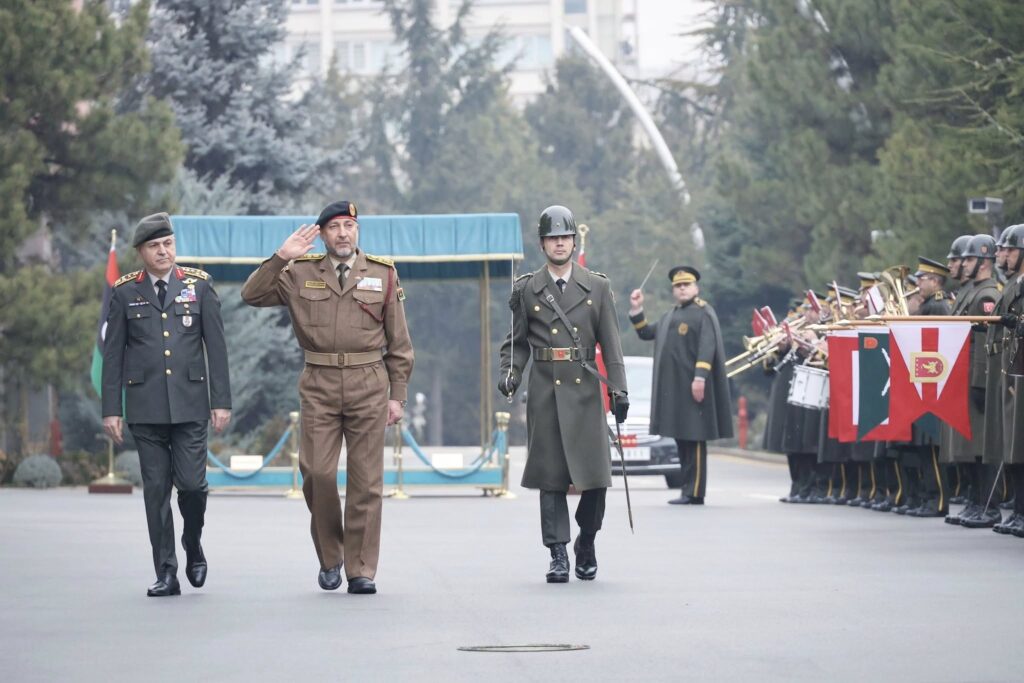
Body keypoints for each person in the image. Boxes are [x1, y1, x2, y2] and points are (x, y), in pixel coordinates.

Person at [241, 200, 414, 593]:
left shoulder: (383, 274)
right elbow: (251, 295)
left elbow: (400, 342)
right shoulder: (299, 272)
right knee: (317, 473)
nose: (342, 233)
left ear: (357, 231)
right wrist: (279, 257)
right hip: (318, 382)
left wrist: (397, 394)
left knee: (366, 481)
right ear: (321, 234)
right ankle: (331, 556)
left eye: (349, 225)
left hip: (368, 381)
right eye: (334, 226)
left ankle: (361, 568)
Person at [102, 212, 232, 597]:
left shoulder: (200, 286)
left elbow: (217, 348)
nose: (164, 251)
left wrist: (220, 402)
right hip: (145, 408)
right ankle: (166, 571)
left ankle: (192, 542)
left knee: (192, 487)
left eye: (168, 244)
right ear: (141, 252)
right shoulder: (125, 292)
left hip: (191, 405)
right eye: (155, 246)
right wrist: (112, 408)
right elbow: (113, 355)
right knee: (156, 491)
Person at [498, 205, 628, 583]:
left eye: (565, 237)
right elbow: (516, 342)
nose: (559, 243)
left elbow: (613, 345)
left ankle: (586, 540)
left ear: (574, 242)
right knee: (551, 477)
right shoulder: (526, 288)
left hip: (586, 391)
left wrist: (618, 389)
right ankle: (557, 553)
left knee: (596, 478)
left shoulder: (597, 286)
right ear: (542, 243)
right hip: (546, 391)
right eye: (553, 237)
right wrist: (511, 372)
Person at [628, 265, 733, 505]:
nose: (682, 289)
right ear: (674, 290)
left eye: (686, 285)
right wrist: (637, 309)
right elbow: (645, 333)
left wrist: (699, 378)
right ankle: (687, 489)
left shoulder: (704, 312)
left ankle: (695, 491)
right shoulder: (671, 315)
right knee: (682, 439)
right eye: (678, 286)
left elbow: (708, 347)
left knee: (695, 439)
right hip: (676, 392)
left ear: (696, 287)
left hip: (694, 387)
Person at [943, 235, 1001, 528]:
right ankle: (975, 502)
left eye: (967, 259)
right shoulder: (971, 291)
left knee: (980, 446)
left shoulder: (987, 294)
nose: (962, 264)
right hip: (962, 375)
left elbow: (983, 342)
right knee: (968, 446)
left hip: (975, 376)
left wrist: (980, 381)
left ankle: (988, 506)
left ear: (982, 260)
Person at [989, 223, 1024, 537]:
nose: (1004, 254)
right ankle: (1017, 507)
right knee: (1012, 445)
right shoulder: (1015, 283)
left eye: (1010, 249)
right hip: (1011, 367)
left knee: (1019, 443)